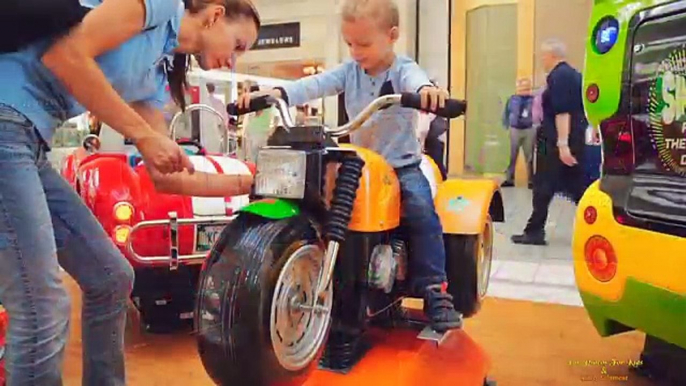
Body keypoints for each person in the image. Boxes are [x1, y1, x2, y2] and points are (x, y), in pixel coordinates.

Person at [0, 0, 260, 384]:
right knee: (41, 307)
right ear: (215, 15)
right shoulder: (158, 5)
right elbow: (64, 55)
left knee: (110, 277)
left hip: (28, 139)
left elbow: (166, 176)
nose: (233, 62)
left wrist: (253, 184)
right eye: (238, 46)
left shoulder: (159, 71)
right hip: (7, 124)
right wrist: (142, 135)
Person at [239, 0, 462, 332]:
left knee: (421, 212)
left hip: (399, 166)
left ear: (392, 36)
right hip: (360, 164)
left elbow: (417, 81)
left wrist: (427, 91)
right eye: (350, 44)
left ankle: (434, 289)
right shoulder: (350, 72)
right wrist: (275, 92)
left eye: (364, 44)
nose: (356, 51)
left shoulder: (403, 69)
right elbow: (311, 86)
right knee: (318, 207)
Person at [512, 38, 588, 246]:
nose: (542, 59)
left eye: (543, 56)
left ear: (552, 55)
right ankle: (534, 229)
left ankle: (535, 231)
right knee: (570, 186)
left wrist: (562, 145)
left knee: (548, 185)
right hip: (563, 140)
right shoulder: (572, 75)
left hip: (554, 143)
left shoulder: (559, 76)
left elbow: (562, 112)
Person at [501, 77, 536, 188]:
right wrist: (507, 125)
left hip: (529, 129)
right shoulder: (512, 99)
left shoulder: (534, 100)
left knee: (529, 156)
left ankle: (531, 181)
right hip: (515, 129)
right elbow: (506, 112)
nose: (523, 91)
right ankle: (509, 179)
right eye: (521, 88)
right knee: (512, 155)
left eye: (526, 88)